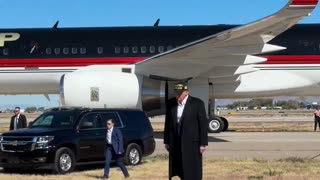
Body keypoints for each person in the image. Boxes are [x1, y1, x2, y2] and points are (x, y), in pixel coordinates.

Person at [164, 82, 208, 180]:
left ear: (186, 92)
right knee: (178, 165)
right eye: (176, 93)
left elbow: (203, 124)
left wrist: (203, 143)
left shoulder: (197, 103)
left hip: (192, 143)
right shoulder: (171, 103)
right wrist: (166, 140)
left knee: (191, 167)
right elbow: (168, 123)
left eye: (180, 93)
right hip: (175, 141)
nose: (178, 95)